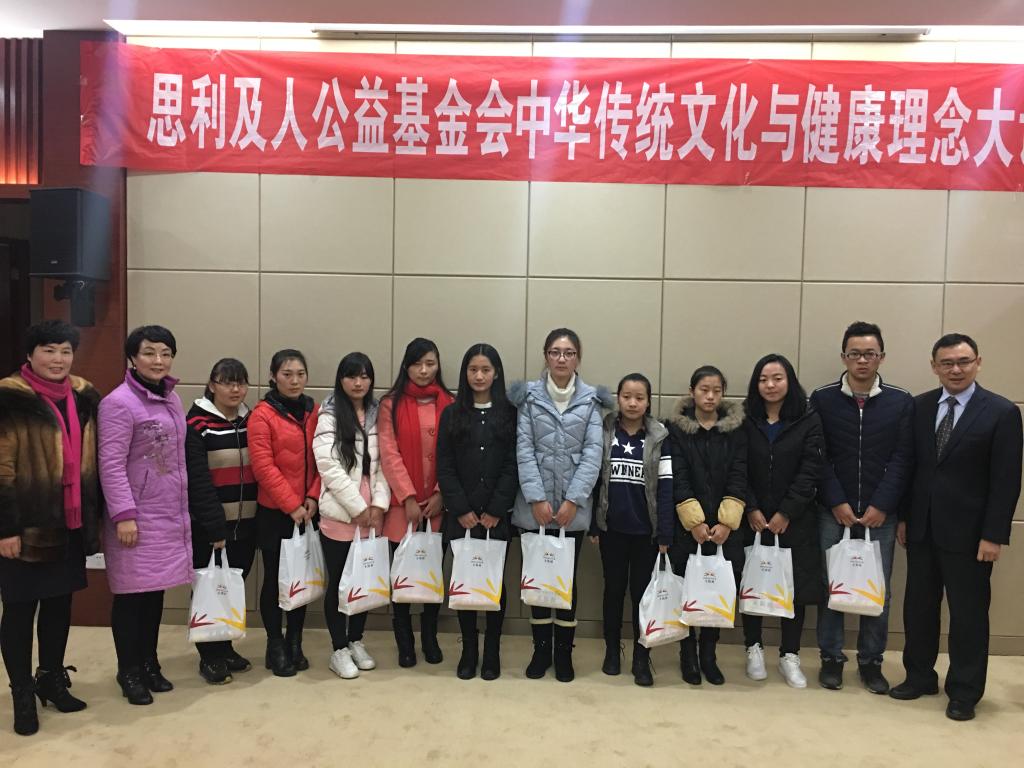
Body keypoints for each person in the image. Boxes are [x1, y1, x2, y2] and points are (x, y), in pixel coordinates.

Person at [891, 333, 1023, 721]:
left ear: (978, 362)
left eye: (963, 361)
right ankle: (919, 676)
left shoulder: (1001, 412)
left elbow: (1006, 480)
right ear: (934, 366)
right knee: (918, 608)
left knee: (968, 615)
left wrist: (994, 535)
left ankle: (964, 691)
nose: (956, 369)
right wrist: (904, 516)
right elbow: (909, 467)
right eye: (947, 363)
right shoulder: (919, 406)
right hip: (922, 528)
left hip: (971, 536)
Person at [0, 321, 101, 735]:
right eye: (48, 350)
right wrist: (6, 528)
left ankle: (51, 678)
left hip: (69, 521)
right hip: (25, 525)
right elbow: (2, 469)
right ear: (30, 355)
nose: (58, 359)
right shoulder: (9, 397)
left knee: (59, 606)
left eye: (65, 351)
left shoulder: (84, 395)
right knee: (20, 610)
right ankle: (22, 694)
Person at [810, 321, 913, 694]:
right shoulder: (822, 399)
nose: (862, 360)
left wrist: (882, 505)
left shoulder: (901, 401)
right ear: (844, 357)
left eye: (870, 353)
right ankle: (831, 658)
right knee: (832, 586)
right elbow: (817, 455)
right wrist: (835, 500)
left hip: (880, 515)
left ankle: (871, 662)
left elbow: (904, 458)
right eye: (855, 353)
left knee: (876, 590)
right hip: (832, 512)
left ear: (881, 357)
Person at [99, 325, 192, 705]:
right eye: (150, 352)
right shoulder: (118, 403)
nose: (158, 360)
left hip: (168, 514)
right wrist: (124, 514)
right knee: (130, 598)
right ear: (133, 358)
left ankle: (150, 664)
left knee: (154, 595)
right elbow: (110, 464)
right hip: (135, 516)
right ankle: (129, 670)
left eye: (166, 353)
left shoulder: (172, 398)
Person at [509, 328, 609, 683]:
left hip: (572, 511)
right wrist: (536, 498)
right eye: (555, 352)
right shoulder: (529, 398)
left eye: (568, 353)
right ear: (546, 356)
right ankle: (540, 651)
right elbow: (524, 449)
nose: (561, 359)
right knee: (538, 580)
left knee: (565, 581)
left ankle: (564, 653)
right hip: (533, 508)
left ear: (578, 358)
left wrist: (573, 501)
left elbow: (593, 454)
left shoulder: (591, 401)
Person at [741, 354, 825, 689]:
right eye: (763, 379)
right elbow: (737, 466)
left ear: (789, 381)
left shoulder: (808, 418)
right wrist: (750, 507)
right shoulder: (745, 419)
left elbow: (811, 469)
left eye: (777, 378)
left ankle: (790, 654)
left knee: (794, 588)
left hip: (795, 519)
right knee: (752, 582)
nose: (770, 385)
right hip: (752, 518)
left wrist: (787, 511)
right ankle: (753, 648)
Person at [436, 344, 518, 681]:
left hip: (497, 517)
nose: (479, 376)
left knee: (494, 583)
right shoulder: (452, 414)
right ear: (465, 373)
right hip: (462, 517)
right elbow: (444, 465)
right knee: (465, 582)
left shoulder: (510, 413)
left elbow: (514, 464)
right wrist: (461, 508)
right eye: (473, 370)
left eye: (486, 369)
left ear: (496, 373)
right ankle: (469, 650)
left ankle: (492, 651)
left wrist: (496, 508)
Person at [664, 365, 746, 687]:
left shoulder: (736, 429)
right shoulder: (676, 429)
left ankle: (709, 655)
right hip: (687, 528)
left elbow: (740, 473)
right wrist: (694, 522)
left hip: (725, 529)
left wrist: (727, 521)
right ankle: (687, 655)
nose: (710, 396)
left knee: (716, 590)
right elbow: (677, 476)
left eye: (716, 391)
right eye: (704, 390)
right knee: (687, 589)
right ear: (692, 391)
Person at [313, 352, 390, 680]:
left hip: (373, 515)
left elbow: (385, 464)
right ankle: (339, 648)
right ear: (340, 379)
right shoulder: (329, 413)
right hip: (341, 514)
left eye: (364, 376)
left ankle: (356, 640)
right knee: (339, 583)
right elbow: (327, 465)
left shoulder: (378, 413)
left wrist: (379, 505)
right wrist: (357, 508)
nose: (358, 383)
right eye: (351, 376)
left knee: (364, 580)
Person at [593, 372, 672, 687]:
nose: (633, 403)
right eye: (627, 396)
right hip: (612, 530)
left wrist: (664, 532)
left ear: (648, 401)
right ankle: (612, 651)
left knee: (642, 596)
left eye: (639, 397)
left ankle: (642, 656)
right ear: (618, 398)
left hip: (645, 534)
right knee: (613, 591)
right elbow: (595, 480)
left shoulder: (660, 436)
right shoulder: (604, 430)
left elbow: (666, 487)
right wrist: (594, 525)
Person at [378, 338, 454, 667]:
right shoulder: (390, 404)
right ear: (406, 366)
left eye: (430, 364)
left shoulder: (450, 403)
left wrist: (440, 493)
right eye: (417, 364)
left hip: (438, 505)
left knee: (431, 573)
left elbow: (453, 454)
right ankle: (404, 641)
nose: (424, 371)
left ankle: (430, 637)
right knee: (403, 575)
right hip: (401, 507)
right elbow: (388, 453)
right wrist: (408, 496)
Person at [184, 358, 258, 685]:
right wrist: (214, 527)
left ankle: (225, 647)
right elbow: (198, 482)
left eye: (240, 382)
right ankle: (209, 655)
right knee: (209, 589)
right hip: (212, 527)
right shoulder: (197, 424)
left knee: (231, 587)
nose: (235, 389)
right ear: (212, 384)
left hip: (247, 523)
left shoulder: (250, 420)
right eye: (227, 382)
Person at [248, 349, 320, 677]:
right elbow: (263, 466)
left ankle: (295, 641)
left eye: (300, 374)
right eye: (287, 374)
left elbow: (323, 458)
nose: (294, 381)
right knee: (276, 580)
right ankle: (275, 644)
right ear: (273, 377)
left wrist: (312, 497)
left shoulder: (314, 411)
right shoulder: (262, 414)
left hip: (309, 510)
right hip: (276, 512)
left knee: (301, 578)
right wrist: (291, 505)